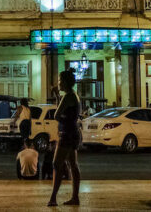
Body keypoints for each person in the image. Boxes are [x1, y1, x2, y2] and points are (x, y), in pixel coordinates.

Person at [48, 70, 82, 207]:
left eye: (59, 80)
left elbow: (56, 115)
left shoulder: (68, 96)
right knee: (73, 165)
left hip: (66, 134)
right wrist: (57, 95)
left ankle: (53, 198)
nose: (58, 83)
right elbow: (62, 110)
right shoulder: (73, 95)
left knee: (57, 164)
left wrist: (58, 97)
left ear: (65, 82)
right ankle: (75, 197)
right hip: (73, 132)